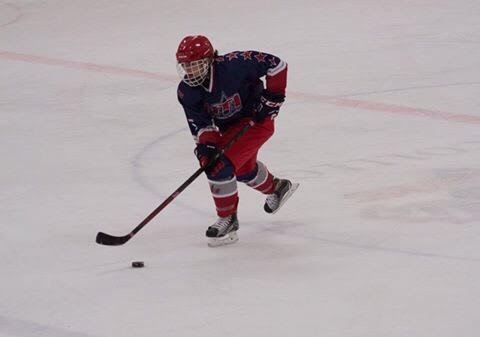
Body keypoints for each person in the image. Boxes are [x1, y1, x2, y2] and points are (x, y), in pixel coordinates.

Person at [176, 35, 298, 247]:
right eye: (186, 66)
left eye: (195, 65)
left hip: (256, 121)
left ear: (210, 60)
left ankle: (228, 219)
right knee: (242, 170)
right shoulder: (186, 91)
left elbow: (277, 65)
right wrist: (205, 149)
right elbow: (201, 124)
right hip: (230, 129)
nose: (190, 71)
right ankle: (277, 188)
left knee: (220, 167)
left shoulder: (234, 65)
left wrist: (272, 100)